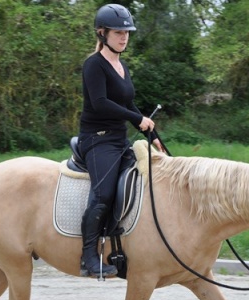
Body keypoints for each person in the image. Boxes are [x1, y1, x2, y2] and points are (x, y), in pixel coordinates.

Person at [78, 3, 163, 278]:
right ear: (102, 33)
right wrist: (137, 119)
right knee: (103, 194)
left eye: (127, 32)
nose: (124, 36)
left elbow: (128, 104)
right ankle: (88, 257)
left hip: (119, 140)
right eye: (118, 32)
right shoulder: (93, 65)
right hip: (96, 140)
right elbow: (101, 104)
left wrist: (153, 135)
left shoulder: (121, 64)